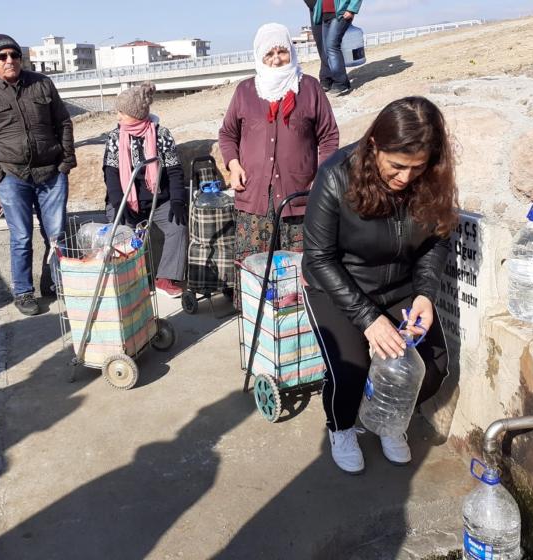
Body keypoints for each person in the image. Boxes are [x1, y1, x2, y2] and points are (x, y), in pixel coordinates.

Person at [302, 96, 457, 474]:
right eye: (397, 166)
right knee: (350, 371)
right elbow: (319, 257)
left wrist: (425, 293)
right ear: (375, 145)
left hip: (402, 285)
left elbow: (438, 238)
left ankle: (389, 420)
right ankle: (341, 427)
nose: (406, 178)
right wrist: (369, 319)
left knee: (432, 368)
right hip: (339, 286)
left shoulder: (431, 178)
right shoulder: (336, 174)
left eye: (416, 168)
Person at [0, 34, 76, 316]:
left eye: (14, 55)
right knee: (22, 237)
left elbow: (62, 121)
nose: (10, 60)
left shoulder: (41, 84)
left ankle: (59, 284)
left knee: (58, 234)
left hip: (51, 173)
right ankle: (24, 292)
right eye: (2, 57)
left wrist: (66, 162)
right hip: (12, 177)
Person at [219, 22, 339, 275]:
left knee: (299, 273)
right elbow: (228, 134)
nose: (276, 60)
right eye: (269, 54)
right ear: (259, 56)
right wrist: (233, 164)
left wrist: (322, 176)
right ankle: (257, 316)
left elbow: (328, 136)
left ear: (291, 53)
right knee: (256, 274)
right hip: (254, 200)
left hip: (300, 198)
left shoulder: (309, 87)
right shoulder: (245, 91)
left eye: (281, 52)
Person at [103, 82, 188, 298]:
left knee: (177, 227)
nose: (118, 116)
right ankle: (130, 281)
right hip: (126, 200)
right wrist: (118, 203)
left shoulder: (161, 134)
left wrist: (178, 200)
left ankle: (165, 279)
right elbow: (111, 173)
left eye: (122, 112)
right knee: (121, 233)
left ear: (136, 113)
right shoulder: (115, 136)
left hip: (158, 200)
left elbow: (175, 171)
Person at [309, 0, 362, 96]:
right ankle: (341, 80)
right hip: (325, 16)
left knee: (332, 46)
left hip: (341, 14)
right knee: (326, 49)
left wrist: (351, 9)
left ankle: (341, 83)